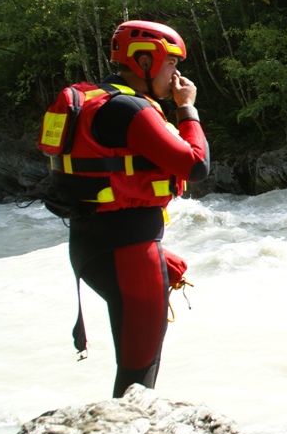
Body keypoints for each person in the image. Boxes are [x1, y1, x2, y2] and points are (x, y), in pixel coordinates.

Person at [37, 20, 210, 398]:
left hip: (94, 246)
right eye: (171, 64)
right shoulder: (129, 108)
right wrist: (187, 109)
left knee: (135, 367)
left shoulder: (101, 101)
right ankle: (126, 433)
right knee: (138, 375)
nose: (176, 75)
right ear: (144, 61)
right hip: (128, 255)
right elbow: (196, 165)